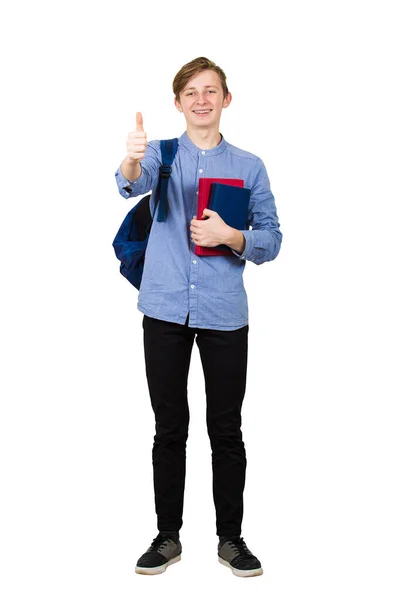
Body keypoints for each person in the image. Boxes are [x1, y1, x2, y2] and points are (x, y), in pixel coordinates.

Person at [114, 57, 282, 577]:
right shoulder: (160, 153)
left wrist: (231, 237)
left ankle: (231, 539)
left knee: (226, 428)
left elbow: (272, 239)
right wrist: (130, 162)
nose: (201, 99)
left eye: (211, 91)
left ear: (226, 100)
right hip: (163, 307)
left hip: (224, 313)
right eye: (191, 92)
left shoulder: (249, 166)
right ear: (179, 102)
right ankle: (168, 536)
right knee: (170, 427)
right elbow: (126, 184)